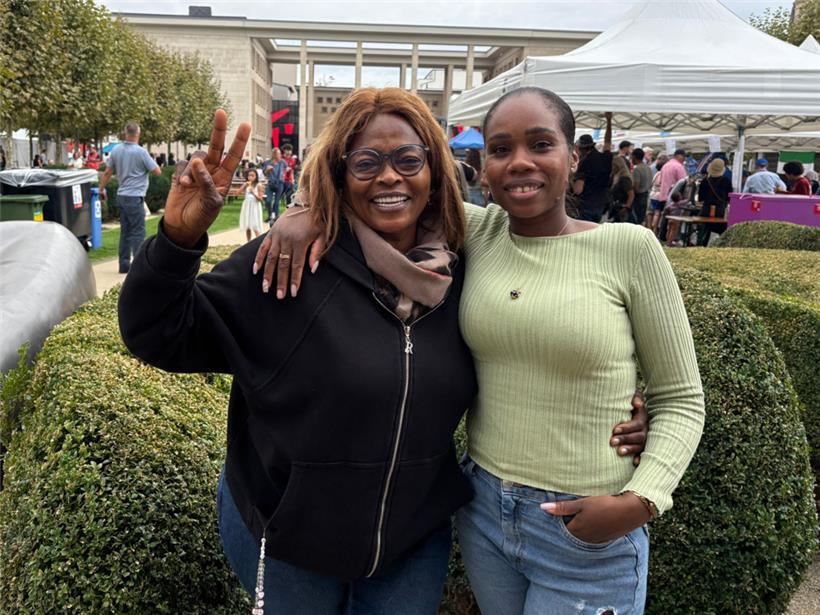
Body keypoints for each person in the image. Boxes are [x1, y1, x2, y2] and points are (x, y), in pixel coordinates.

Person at [119, 98, 647, 615]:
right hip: (289, 537)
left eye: (408, 160)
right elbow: (158, 333)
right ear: (340, 173)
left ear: (434, 172)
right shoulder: (292, 261)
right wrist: (177, 240)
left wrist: (614, 411)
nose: (389, 177)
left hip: (411, 543)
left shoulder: (466, 268)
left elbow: (526, 348)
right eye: (366, 162)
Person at [256, 87, 704, 615]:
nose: (520, 163)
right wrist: (305, 211)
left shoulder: (630, 249)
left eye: (540, 145)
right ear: (482, 164)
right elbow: (382, 196)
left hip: (588, 526)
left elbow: (680, 398)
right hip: (486, 514)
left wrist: (641, 501)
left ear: (573, 157)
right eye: (500, 149)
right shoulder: (477, 232)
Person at [99, 121, 161, 274]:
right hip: (135, 196)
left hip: (121, 195)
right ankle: (139, 267)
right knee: (138, 231)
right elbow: (157, 171)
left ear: (125, 133)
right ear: (138, 134)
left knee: (125, 231)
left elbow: (107, 172)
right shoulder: (141, 152)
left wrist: (101, 189)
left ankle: (124, 264)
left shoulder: (116, 151)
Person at [572, 114, 613, 222]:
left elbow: (578, 190)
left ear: (581, 149)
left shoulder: (584, 163)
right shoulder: (605, 158)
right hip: (601, 204)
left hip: (585, 205)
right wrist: (609, 121)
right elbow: (608, 141)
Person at [696, 158, 731, 245]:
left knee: (703, 232)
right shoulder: (726, 181)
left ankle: (700, 245)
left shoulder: (704, 181)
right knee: (723, 232)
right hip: (719, 211)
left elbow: (700, 198)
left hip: (706, 210)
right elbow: (729, 198)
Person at [239, 168, 265, 242]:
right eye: (249, 175)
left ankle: (259, 243)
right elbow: (237, 193)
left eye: (253, 176)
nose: (250, 177)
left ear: (256, 176)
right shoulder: (247, 185)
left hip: (255, 207)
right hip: (247, 206)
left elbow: (260, 199)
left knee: (255, 225)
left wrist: (253, 192)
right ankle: (248, 242)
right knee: (248, 226)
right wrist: (244, 185)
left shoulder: (259, 185)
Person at [264, 148, 287, 223]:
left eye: (280, 153)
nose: (280, 155)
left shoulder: (282, 162)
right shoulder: (267, 162)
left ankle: (276, 217)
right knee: (268, 201)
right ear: (274, 154)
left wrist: (285, 174)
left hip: (280, 183)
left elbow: (287, 169)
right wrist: (267, 170)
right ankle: (270, 215)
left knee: (276, 202)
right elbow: (264, 173)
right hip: (270, 183)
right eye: (279, 153)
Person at [646, 153, 668, 231]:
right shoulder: (663, 174)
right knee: (657, 213)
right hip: (659, 195)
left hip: (652, 194)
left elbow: (651, 184)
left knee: (650, 212)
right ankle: (654, 228)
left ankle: (649, 228)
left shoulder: (656, 174)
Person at [609, 156, 635, 223]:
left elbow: (631, 194)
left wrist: (626, 208)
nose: (611, 168)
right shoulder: (615, 176)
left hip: (622, 208)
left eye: (613, 165)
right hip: (616, 207)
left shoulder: (624, 178)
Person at [631, 148, 653, 225]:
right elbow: (651, 183)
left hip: (638, 197)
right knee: (641, 218)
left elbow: (636, 187)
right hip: (646, 195)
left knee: (635, 219)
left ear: (634, 157)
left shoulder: (637, 169)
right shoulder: (648, 168)